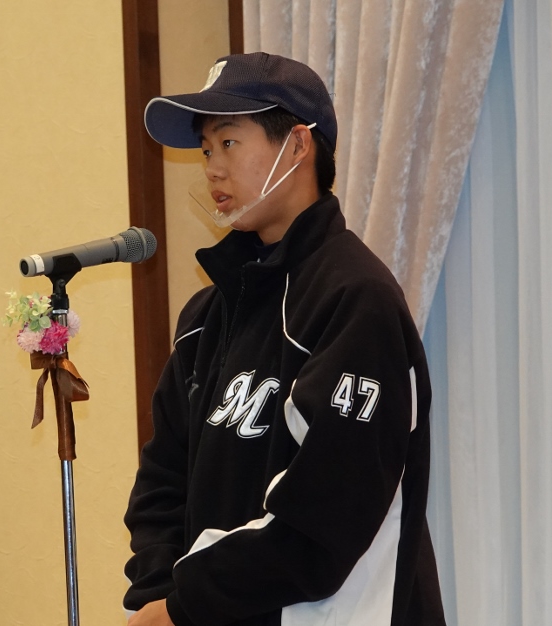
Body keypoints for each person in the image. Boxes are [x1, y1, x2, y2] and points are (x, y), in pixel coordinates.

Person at [123, 52, 445, 626]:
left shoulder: (356, 300)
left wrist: (182, 607)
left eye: (228, 142)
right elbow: (162, 484)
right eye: (205, 150)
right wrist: (159, 595)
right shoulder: (205, 317)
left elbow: (325, 519)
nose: (212, 169)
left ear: (298, 145)